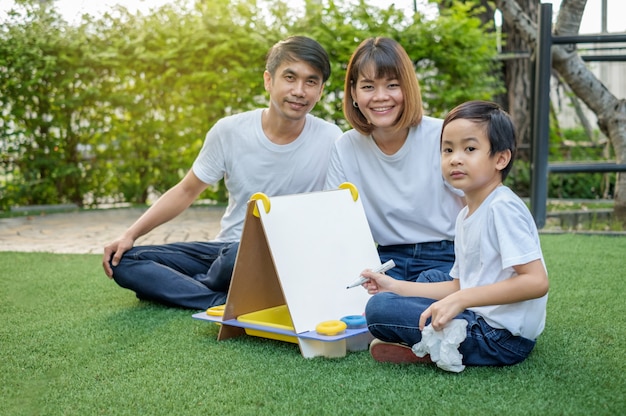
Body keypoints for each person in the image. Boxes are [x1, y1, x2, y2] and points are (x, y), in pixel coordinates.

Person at [102, 36, 342, 310]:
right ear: (268, 80)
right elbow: (186, 190)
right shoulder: (229, 131)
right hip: (224, 251)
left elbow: (334, 212)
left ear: (321, 90)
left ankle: (187, 288)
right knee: (122, 260)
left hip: (284, 257)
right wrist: (130, 235)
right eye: (290, 77)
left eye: (311, 81)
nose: (299, 90)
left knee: (240, 256)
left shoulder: (331, 138)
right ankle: (220, 298)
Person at [362, 100, 549, 367]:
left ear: (501, 158)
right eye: (447, 149)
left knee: (378, 311)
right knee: (425, 280)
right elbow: (462, 283)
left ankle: (431, 346)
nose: (455, 158)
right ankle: (428, 342)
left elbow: (536, 282)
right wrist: (394, 286)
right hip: (479, 313)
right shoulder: (465, 214)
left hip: (501, 338)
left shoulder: (502, 208)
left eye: (469, 148)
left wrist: (461, 300)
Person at [325, 37, 464, 282]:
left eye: (392, 85)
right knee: (374, 305)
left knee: (419, 295)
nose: (380, 97)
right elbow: (335, 220)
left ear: (407, 88)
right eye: (368, 87)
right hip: (386, 260)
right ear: (354, 94)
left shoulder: (442, 135)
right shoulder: (345, 147)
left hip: (447, 255)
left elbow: (477, 205)